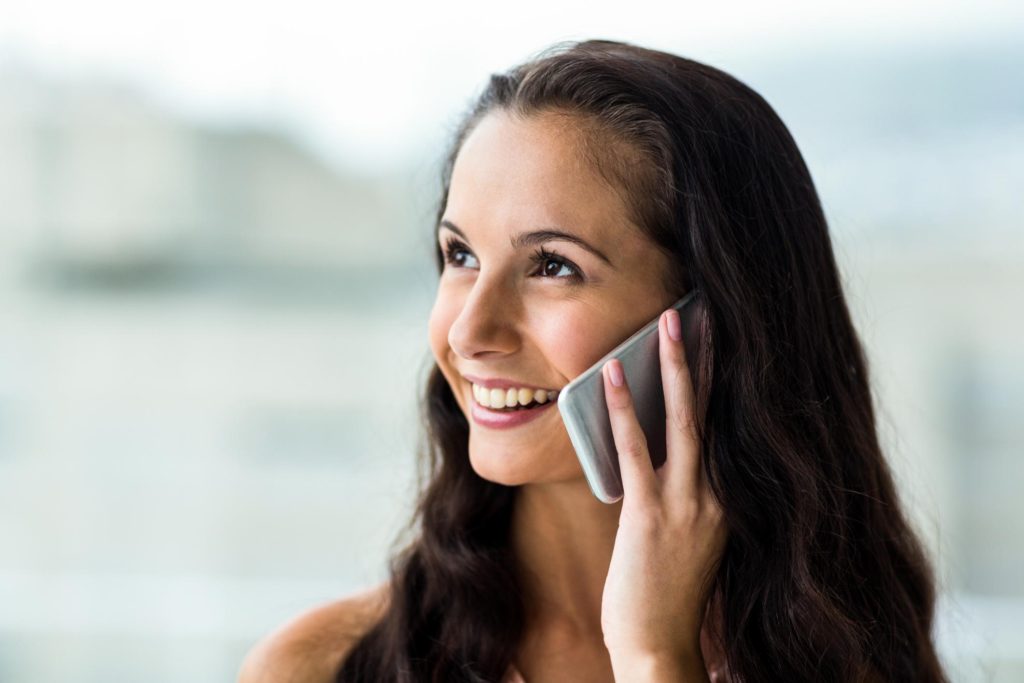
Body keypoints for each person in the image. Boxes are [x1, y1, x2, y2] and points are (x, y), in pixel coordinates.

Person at [238, 39, 949, 682]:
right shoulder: (321, 666)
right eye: (460, 255)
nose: (469, 331)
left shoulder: (842, 664)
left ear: (712, 320)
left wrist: (654, 655)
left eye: (552, 265)